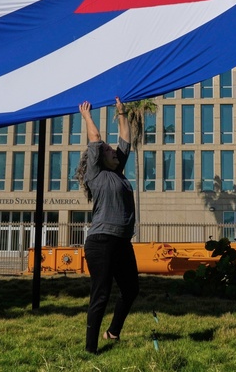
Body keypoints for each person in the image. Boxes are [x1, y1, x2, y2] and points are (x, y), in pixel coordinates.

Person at [75, 97, 138, 354]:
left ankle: (112, 332)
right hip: (101, 242)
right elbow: (96, 139)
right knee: (101, 294)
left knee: (131, 289)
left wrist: (121, 112)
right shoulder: (96, 174)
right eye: (110, 151)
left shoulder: (118, 172)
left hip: (121, 241)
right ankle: (91, 350)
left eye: (114, 151)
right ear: (100, 158)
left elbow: (126, 139)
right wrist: (87, 116)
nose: (114, 151)